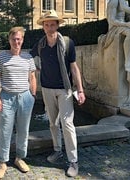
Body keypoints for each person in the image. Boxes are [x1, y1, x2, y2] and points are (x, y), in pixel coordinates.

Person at [30, 10, 85, 177]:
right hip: (47, 88)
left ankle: (73, 161)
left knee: (67, 124)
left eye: (52, 24)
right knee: (53, 123)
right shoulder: (40, 44)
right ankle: (57, 150)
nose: (49, 27)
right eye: (46, 24)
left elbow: (74, 68)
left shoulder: (67, 43)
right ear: (43, 27)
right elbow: (28, 58)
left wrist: (80, 89)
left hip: (65, 89)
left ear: (57, 25)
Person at [0, 26, 37, 179]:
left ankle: (19, 158)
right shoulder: (2, 57)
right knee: (5, 130)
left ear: (22, 40)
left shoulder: (28, 58)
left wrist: (33, 95)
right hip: (7, 97)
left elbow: (32, 77)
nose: (16, 42)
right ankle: (3, 162)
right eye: (13, 39)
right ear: (9, 40)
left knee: (23, 130)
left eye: (19, 39)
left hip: (25, 97)